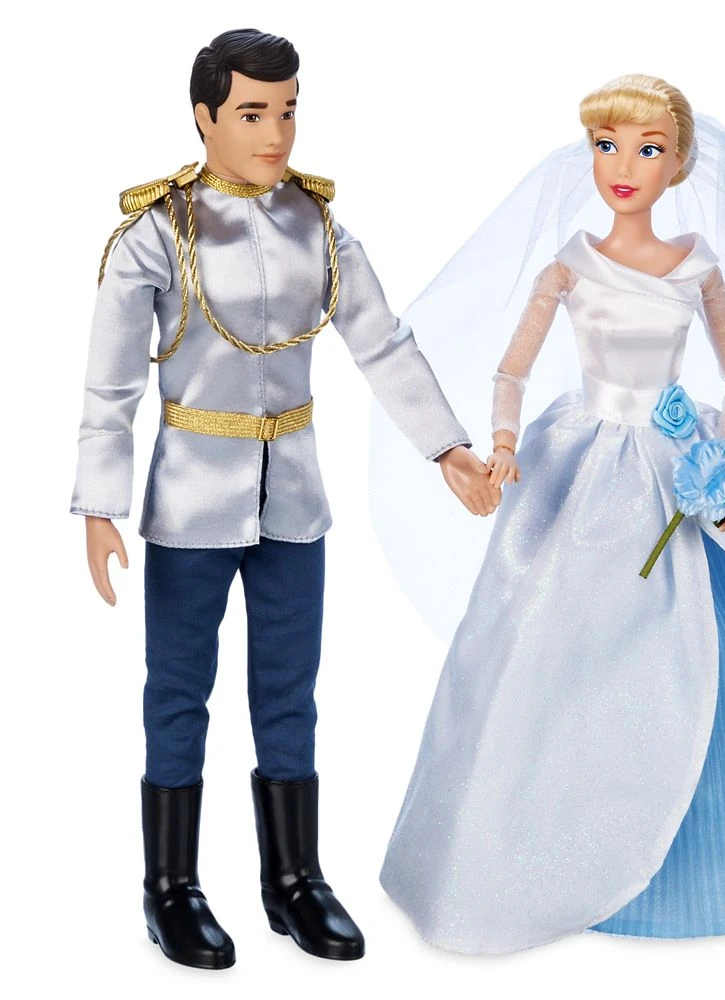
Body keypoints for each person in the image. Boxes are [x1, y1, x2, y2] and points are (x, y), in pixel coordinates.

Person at [378, 74, 725, 953]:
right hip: (587, 461)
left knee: (723, 638)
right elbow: (511, 369)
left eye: (648, 150)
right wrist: (504, 441)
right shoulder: (569, 264)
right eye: (608, 146)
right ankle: (554, 841)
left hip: (681, 455)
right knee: (558, 634)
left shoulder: (697, 266)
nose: (624, 166)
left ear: (677, 164)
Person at [71, 27, 497, 970]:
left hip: (293, 499)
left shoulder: (317, 225)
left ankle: (293, 878)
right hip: (190, 501)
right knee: (177, 694)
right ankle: (170, 887)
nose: (276, 134)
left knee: (289, 693)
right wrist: (100, 507)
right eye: (253, 112)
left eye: (289, 111)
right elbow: (111, 386)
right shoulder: (158, 233)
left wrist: (448, 447)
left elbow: (382, 341)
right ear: (205, 117)